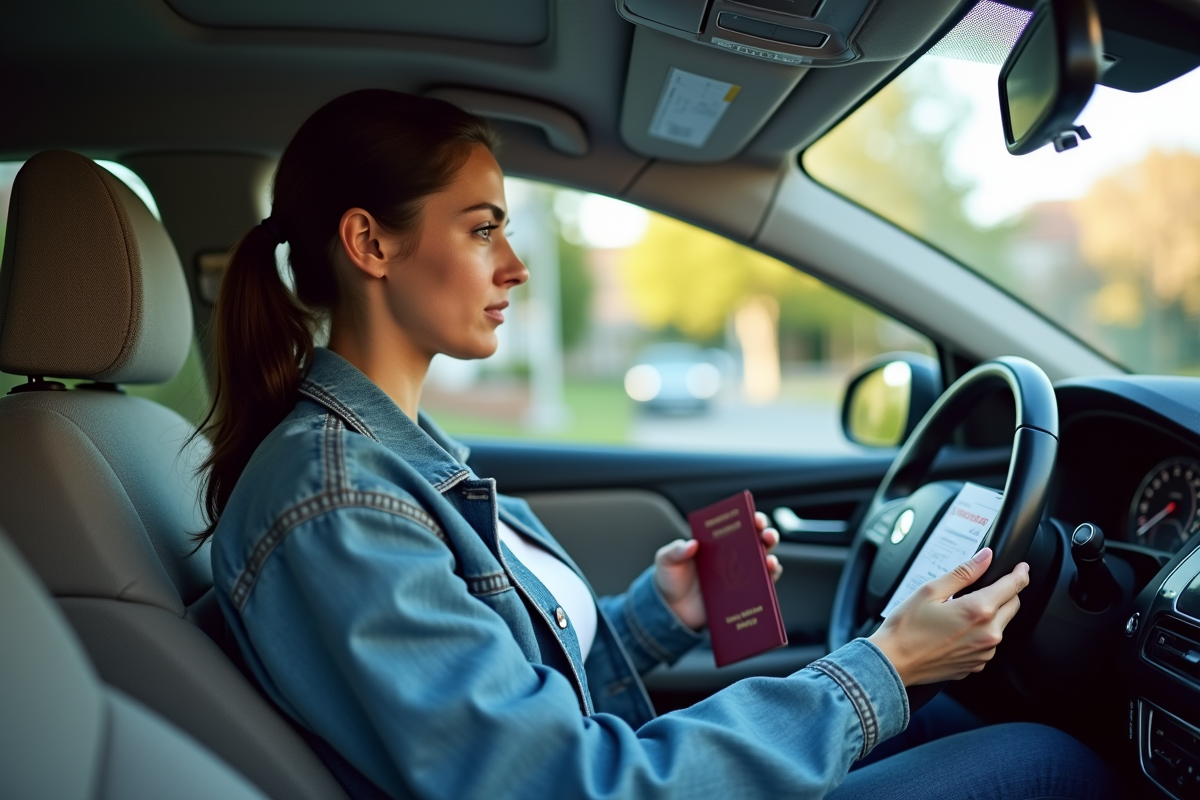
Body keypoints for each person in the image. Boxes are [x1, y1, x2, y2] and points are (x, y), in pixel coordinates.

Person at [200, 89, 1119, 800]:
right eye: (482, 229)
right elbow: (565, 784)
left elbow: (517, 692)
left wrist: (657, 614)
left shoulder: (392, 456)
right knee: (1045, 762)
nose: (515, 265)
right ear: (370, 243)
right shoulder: (338, 498)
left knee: (950, 716)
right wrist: (884, 666)